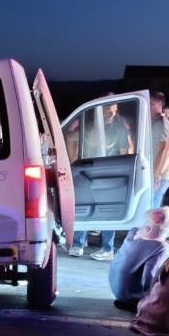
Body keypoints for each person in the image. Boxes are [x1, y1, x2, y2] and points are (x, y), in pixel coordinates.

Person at [69, 97, 132, 261]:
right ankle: (78, 244)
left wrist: (123, 171)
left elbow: (125, 152)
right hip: (89, 170)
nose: (109, 111)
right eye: (106, 108)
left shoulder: (120, 129)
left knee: (107, 209)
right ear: (101, 109)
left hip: (109, 171)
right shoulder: (90, 126)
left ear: (117, 109)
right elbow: (77, 144)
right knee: (84, 205)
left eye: (113, 108)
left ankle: (107, 249)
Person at [108, 207, 169, 311]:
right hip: (130, 295)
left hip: (116, 287)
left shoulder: (132, 233)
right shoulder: (160, 248)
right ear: (166, 230)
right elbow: (149, 277)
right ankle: (141, 304)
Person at [150, 91, 169, 209]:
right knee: (154, 203)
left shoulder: (161, 123)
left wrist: (156, 176)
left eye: (149, 102)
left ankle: (154, 227)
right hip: (163, 173)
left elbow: (163, 151)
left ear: (154, 104)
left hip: (162, 175)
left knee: (153, 206)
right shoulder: (159, 122)